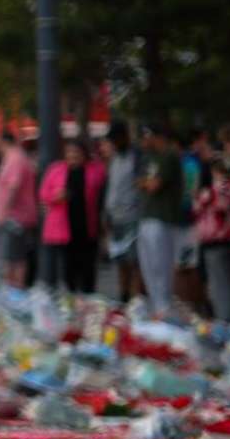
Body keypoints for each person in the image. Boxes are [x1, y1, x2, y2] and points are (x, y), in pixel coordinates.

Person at [37, 139, 103, 293]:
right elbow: (43, 195)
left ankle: (88, 299)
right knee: (68, 268)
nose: (73, 155)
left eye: (76, 152)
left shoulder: (95, 170)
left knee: (88, 268)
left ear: (84, 154)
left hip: (87, 227)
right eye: (69, 152)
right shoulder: (56, 169)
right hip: (64, 228)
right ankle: (71, 299)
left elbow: (102, 189)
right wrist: (56, 197)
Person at [136, 124, 189, 313]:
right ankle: (157, 306)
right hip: (147, 216)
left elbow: (153, 185)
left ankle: (164, 308)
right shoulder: (149, 158)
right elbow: (141, 182)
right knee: (148, 266)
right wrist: (146, 183)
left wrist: (146, 183)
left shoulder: (169, 156)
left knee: (161, 266)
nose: (143, 141)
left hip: (163, 218)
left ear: (157, 137)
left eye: (146, 136)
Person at [101, 125, 142, 301]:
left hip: (132, 217)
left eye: (114, 140)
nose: (112, 144)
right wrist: (106, 214)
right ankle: (123, 295)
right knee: (120, 260)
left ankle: (136, 297)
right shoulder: (114, 158)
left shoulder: (136, 157)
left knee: (134, 261)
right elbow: (111, 188)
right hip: (115, 216)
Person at [194, 157, 230, 319]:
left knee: (221, 288)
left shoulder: (212, 191)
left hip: (215, 244)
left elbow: (197, 207)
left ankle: (227, 325)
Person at [0, 131, 38, 287]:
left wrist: (3, 213)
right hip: (14, 217)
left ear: (3, 141)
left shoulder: (15, 158)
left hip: (15, 218)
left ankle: (16, 291)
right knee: (12, 257)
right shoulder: (14, 158)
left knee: (14, 258)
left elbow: (13, 187)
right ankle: (14, 290)